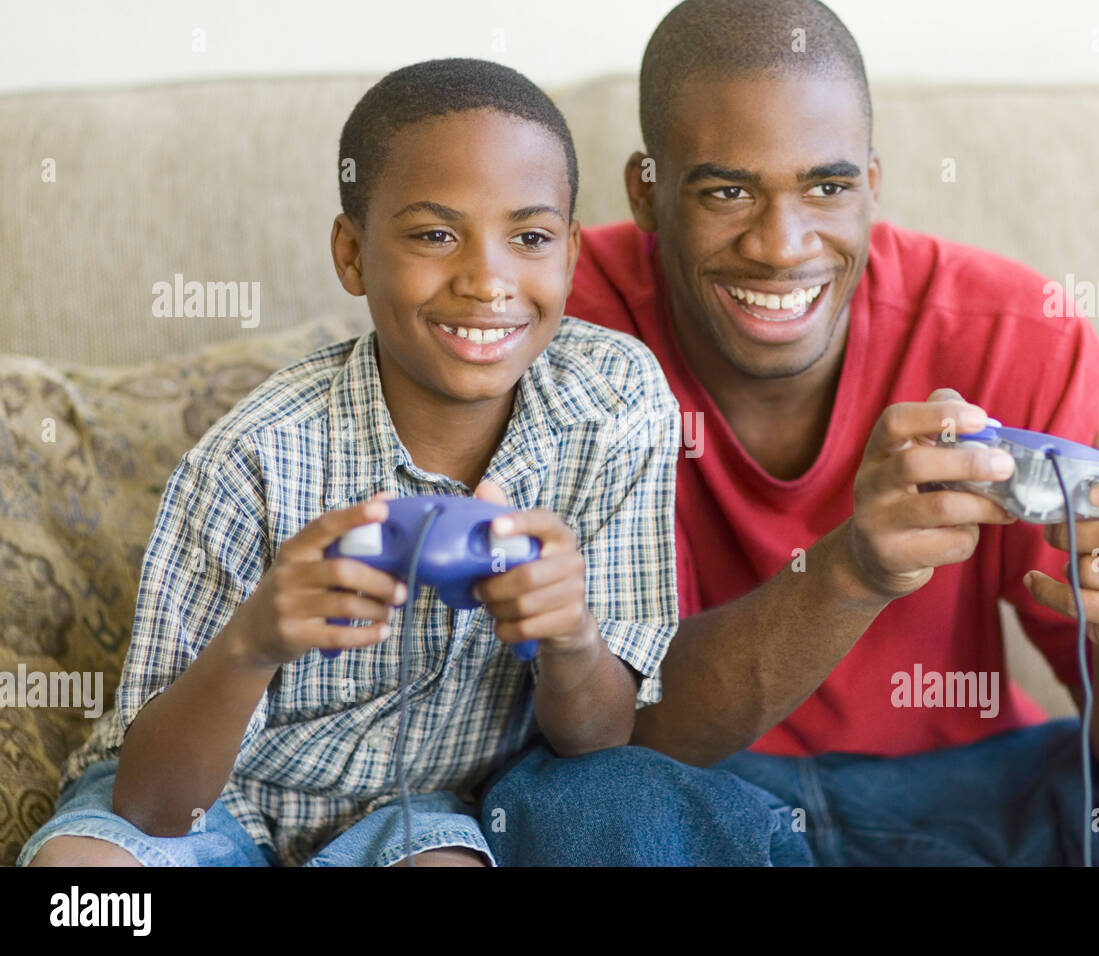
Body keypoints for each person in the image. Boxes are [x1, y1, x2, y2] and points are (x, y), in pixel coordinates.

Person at [481, 0, 1099, 866]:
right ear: (647, 193)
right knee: (564, 806)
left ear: (875, 187)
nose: (782, 246)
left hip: (973, 795)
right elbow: (612, 727)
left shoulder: (1010, 329)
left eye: (828, 187)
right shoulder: (563, 333)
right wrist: (850, 571)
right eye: (728, 190)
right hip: (700, 799)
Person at [19, 57, 681, 867]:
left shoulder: (614, 406)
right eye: (435, 235)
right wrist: (253, 643)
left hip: (418, 815)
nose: (486, 279)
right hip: (213, 796)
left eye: (530, 237)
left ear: (572, 255)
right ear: (354, 254)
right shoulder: (255, 457)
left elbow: (601, 740)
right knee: (79, 883)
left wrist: (570, 632)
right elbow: (154, 803)